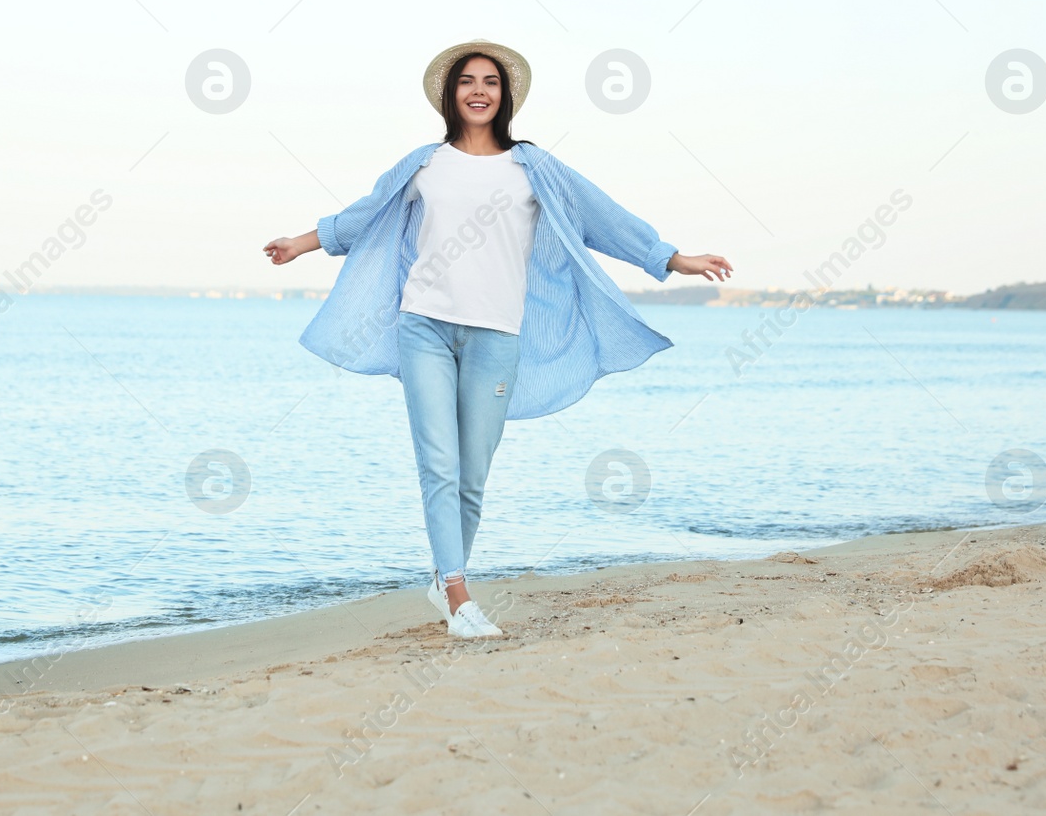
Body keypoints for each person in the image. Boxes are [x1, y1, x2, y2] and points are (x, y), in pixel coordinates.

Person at [263, 39, 731, 638]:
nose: (478, 90)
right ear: (450, 96)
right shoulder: (424, 164)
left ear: (505, 95)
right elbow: (366, 213)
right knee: (438, 463)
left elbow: (601, 216)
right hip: (424, 326)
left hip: (497, 336)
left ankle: (443, 576)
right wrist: (303, 243)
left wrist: (670, 259)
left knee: (472, 474)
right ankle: (458, 597)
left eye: (489, 81)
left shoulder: (535, 167)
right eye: (467, 82)